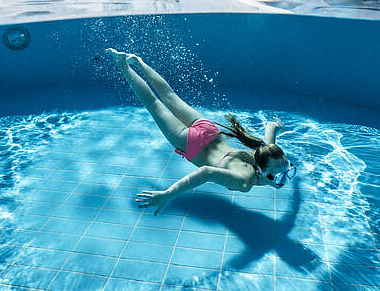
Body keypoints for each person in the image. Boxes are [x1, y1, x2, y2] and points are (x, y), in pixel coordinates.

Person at [106, 49, 296, 215]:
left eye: (288, 171)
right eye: (277, 176)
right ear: (263, 171)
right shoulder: (244, 182)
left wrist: (277, 125)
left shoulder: (268, 151)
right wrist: (168, 194)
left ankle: (138, 61)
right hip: (190, 142)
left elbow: (270, 127)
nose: (283, 180)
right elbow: (205, 172)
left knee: (169, 94)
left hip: (210, 131)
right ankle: (122, 64)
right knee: (153, 103)